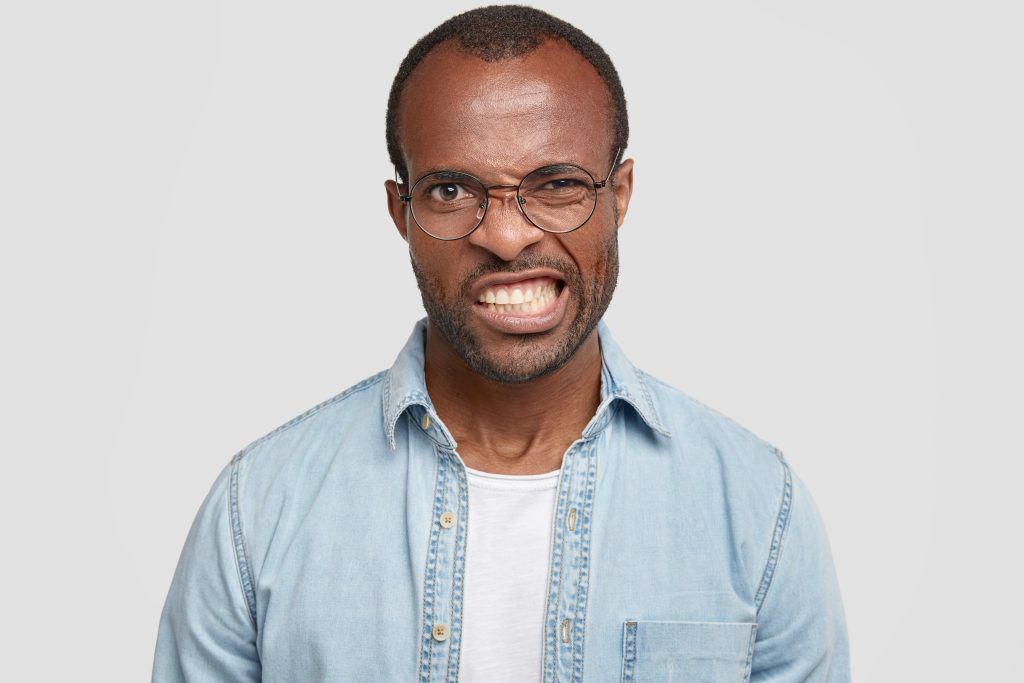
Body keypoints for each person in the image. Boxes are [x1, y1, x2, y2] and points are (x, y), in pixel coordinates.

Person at [153, 5, 849, 681]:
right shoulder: (257, 510)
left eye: (558, 185)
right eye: (451, 191)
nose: (508, 237)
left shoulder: (758, 507)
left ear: (620, 195)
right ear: (401, 212)